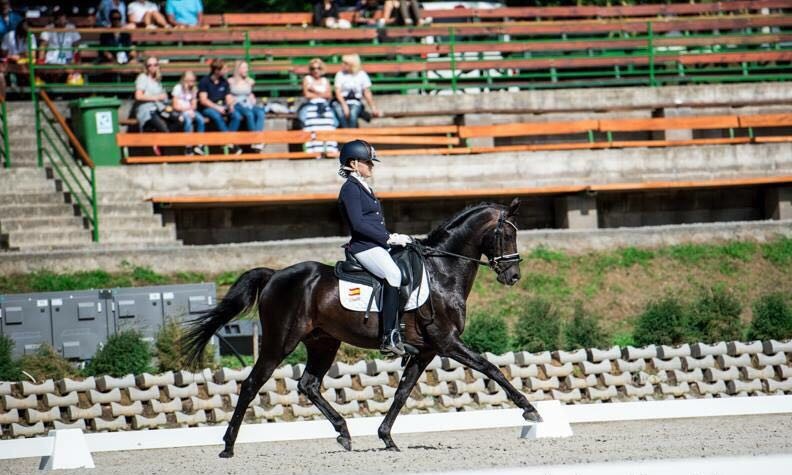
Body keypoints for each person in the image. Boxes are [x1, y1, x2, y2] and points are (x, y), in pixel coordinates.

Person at [337, 139, 412, 356]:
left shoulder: (363, 187)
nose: (372, 166)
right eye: (367, 162)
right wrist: (388, 238)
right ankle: (389, 336)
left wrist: (392, 237)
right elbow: (359, 224)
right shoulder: (350, 189)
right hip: (364, 246)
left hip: (375, 243)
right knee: (393, 275)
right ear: (353, 164)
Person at [198, 58, 241, 154]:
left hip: (222, 106)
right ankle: (230, 142)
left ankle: (228, 142)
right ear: (217, 70)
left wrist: (230, 105)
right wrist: (217, 107)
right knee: (216, 116)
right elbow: (203, 100)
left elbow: (228, 96)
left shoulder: (224, 82)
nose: (227, 71)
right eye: (224, 69)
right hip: (208, 108)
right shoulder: (205, 81)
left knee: (236, 115)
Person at [331, 54, 381, 129]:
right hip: (341, 101)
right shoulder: (340, 74)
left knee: (353, 113)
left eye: (345, 63)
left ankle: (352, 132)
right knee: (340, 112)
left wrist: (373, 108)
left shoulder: (362, 75)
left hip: (355, 101)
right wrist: (344, 105)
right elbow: (338, 92)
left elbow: (366, 92)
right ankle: (346, 132)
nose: (342, 65)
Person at [298, 58, 337, 153]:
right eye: (313, 68)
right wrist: (322, 93)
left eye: (318, 68)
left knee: (328, 125)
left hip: (324, 106)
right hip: (311, 106)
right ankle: (314, 151)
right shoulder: (307, 79)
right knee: (312, 127)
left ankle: (329, 149)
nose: (316, 70)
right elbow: (307, 95)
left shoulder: (325, 80)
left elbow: (329, 95)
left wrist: (314, 90)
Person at [228, 60, 265, 151]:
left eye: (247, 67)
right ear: (238, 69)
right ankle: (254, 139)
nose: (247, 70)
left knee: (260, 112)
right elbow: (228, 95)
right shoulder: (230, 81)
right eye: (244, 68)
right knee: (249, 114)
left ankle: (258, 137)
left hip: (248, 103)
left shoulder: (250, 81)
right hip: (237, 103)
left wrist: (252, 97)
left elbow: (250, 93)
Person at [133, 56, 169, 140]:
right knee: (164, 129)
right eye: (150, 65)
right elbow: (138, 96)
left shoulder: (157, 80)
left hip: (158, 109)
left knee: (177, 121)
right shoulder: (143, 78)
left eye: (155, 65)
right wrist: (157, 97)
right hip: (147, 111)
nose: (153, 67)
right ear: (146, 67)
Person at [172, 70, 205, 155]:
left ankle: (199, 145)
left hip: (189, 110)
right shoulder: (177, 88)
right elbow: (175, 106)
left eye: (193, 81)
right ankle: (188, 146)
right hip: (179, 111)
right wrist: (186, 110)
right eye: (189, 80)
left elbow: (194, 106)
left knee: (201, 119)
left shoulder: (194, 89)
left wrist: (190, 111)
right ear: (184, 80)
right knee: (188, 120)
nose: (191, 83)